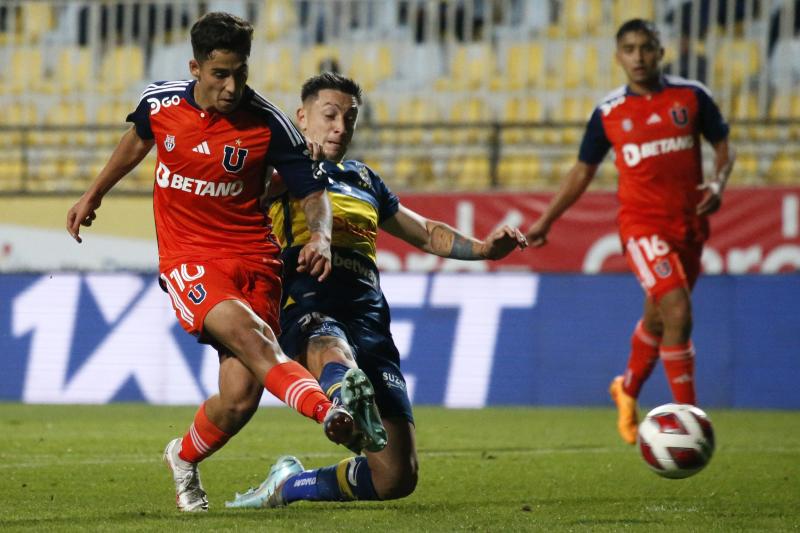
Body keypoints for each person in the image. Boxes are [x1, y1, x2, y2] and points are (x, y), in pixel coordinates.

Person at [65, 12, 361, 512]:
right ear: (196, 68)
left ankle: (182, 457)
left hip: (254, 259)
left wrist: (323, 238)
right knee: (255, 339)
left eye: (240, 73)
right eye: (220, 74)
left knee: (241, 397)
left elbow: (313, 193)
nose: (231, 86)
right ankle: (325, 411)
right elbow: (139, 139)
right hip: (189, 258)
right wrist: (94, 193)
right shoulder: (159, 104)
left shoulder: (269, 124)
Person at [225, 72, 527, 508]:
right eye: (329, 116)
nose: (340, 127)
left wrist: (483, 249)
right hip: (304, 298)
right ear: (301, 118)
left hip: (368, 315)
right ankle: (343, 393)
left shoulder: (363, 178)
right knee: (328, 342)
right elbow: (231, 200)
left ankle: (289, 485)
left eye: (349, 119)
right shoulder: (275, 172)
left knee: (396, 477)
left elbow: (423, 232)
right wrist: (281, 168)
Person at [525, 19, 735, 445]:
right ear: (619, 56)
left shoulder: (691, 97)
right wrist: (546, 221)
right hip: (641, 226)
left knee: (658, 319)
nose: (638, 57)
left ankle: (627, 389)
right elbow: (583, 171)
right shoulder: (609, 112)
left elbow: (724, 147)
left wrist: (717, 183)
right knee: (677, 310)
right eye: (629, 49)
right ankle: (690, 422)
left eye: (646, 48)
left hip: (689, 225)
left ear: (661, 51)